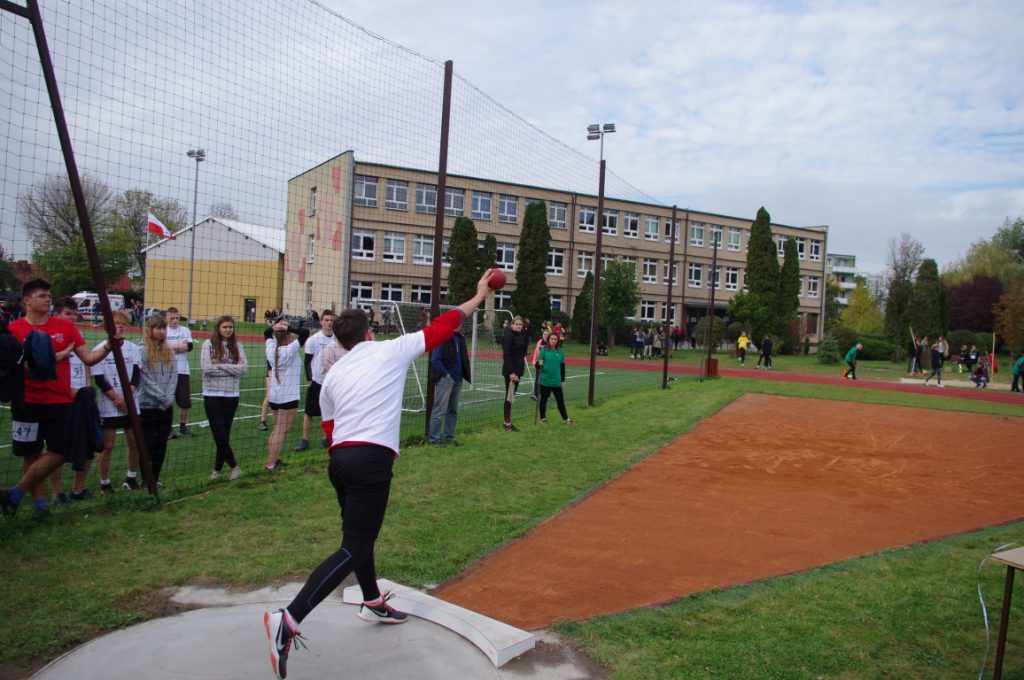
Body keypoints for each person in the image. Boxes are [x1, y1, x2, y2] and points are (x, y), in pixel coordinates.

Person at [262, 270, 495, 680]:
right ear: (369, 333)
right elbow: (445, 325)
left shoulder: (335, 373)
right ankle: (289, 618)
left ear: (341, 340)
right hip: (368, 461)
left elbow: (329, 427)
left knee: (358, 538)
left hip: (340, 461)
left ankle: (372, 601)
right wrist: (478, 296)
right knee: (354, 546)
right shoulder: (390, 350)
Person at [0, 279, 120, 518]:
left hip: (59, 401)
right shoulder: (14, 329)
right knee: (31, 454)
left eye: (48, 295)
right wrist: (57, 356)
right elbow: (20, 365)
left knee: (64, 449)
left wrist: (109, 345)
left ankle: (14, 494)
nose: (48, 299)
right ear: (27, 301)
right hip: (26, 401)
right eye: (42, 295)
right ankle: (40, 507)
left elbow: (88, 358)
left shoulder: (65, 327)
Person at [80, 309, 141, 496]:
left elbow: (136, 374)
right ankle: (105, 484)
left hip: (131, 403)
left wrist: (127, 397)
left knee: (135, 441)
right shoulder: (100, 349)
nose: (120, 327)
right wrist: (116, 398)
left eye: (123, 324)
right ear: (107, 326)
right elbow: (99, 379)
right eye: (116, 324)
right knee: (108, 445)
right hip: (109, 405)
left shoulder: (133, 348)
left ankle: (131, 478)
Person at [47, 297, 91, 506]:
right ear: (56, 314)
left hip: (81, 398)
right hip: (60, 400)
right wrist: (73, 392)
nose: (72, 318)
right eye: (68, 313)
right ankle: (57, 492)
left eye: (74, 314)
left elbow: (87, 363)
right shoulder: (49, 337)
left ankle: (78, 488)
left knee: (88, 444)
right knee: (56, 449)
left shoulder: (76, 335)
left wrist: (87, 388)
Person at [202, 315, 248, 480]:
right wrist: (232, 369)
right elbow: (207, 368)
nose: (228, 330)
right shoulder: (208, 345)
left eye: (230, 327)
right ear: (218, 328)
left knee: (225, 433)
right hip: (212, 393)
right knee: (219, 433)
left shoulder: (238, 346)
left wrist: (220, 365)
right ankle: (235, 467)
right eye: (225, 327)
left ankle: (217, 469)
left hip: (231, 394)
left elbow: (243, 369)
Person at [264, 318, 309, 470]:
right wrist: (287, 327)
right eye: (290, 334)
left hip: (274, 396)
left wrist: (276, 327)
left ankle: (274, 460)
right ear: (288, 335)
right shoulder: (290, 349)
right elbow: (305, 332)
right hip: (288, 396)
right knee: (280, 430)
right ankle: (271, 463)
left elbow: (266, 333)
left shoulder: (271, 347)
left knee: (277, 429)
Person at [137, 315, 177, 487]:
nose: (161, 331)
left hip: (166, 405)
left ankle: (156, 477)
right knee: (148, 443)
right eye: (157, 328)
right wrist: (162, 396)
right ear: (150, 329)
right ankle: (146, 478)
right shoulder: (142, 350)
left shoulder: (169, 351)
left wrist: (169, 396)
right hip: (148, 405)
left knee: (162, 442)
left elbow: (174, 375)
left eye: (163, 328)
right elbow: (144, 378)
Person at [295, 310, 335, 452]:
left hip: (331, 381)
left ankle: (326, 438)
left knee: (329, 411)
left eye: (331, 320)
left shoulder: (337, 339)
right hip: (316, 380)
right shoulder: (313, 340)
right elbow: (307, 362)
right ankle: (305, 440)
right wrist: (309, 378)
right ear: (321, 322)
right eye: (326, 320)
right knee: (309, 412)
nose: (329, 323)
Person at [428, 325, 470, 445]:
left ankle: (449, 438)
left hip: (458, 379)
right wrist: (446, 374)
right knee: (439, 410)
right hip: (445, 380)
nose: (458, 325)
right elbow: (435, 360)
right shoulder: (442, 337)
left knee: (453, 410)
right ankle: (434, 440)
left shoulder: (460, 337)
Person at [165, 307, 196, 438]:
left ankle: (183, 427)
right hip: (166, 371)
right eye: (172, 318)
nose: (175, 320)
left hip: (182, 370)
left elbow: (189, 347)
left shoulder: (185, 330)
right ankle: (169, 429)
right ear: (166, 318)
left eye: (177, 318)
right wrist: (179, 347)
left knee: (185, 401)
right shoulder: (163, 330)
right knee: (167, 401)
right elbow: (160, 349)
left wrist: (170, 348)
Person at [537, 332, 573, 425]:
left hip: (556, 381)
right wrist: (539, 364)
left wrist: (563, 380)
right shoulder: (543, 350)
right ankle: (543, 419)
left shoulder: (560, 351)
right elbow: (537, 365)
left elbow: (562, 367)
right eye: (552, 339)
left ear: (558, 341)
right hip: (545, 380)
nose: (553, 341)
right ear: (548, 340)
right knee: (543, 400)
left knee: (560, 401)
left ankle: (565, 419)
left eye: (555, 339)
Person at [501, 315, 529, 432]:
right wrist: (511, 372)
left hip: (518, 369)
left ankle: (508, 421)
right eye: (516, 324)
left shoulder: (522, 335)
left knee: (512, 395)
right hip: (510, 371)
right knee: (509, 395)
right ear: (512, 325)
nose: (518, 326)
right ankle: (507, 423)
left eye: (520, 324)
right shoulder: (508, 335)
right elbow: (506, 355)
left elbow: (523, 352)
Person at [530, 328, 551, 401]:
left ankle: (546, 395)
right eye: (544, 334)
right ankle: (536, 395)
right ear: (542, 335)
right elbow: (536, 352)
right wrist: (534, 362)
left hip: (547, 364)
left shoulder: (550, 342)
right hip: (539, 363)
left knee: (546, 379)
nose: (545, 336)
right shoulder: (539, 342)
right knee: (538, 379)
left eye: (547, 334)